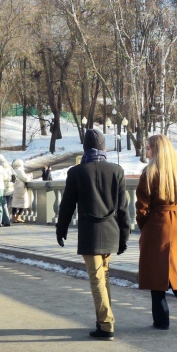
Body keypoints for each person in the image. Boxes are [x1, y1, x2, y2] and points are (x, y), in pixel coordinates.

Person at [56, 131, 130, 341]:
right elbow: (123, 209)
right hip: (111, 231)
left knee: (97, 279)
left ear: (85, 147)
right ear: (103, 147)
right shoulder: (117, 171)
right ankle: (103, 320)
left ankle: (106, 324)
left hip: (89, 233)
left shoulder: (77, 172)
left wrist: (61, 229)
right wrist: (124, 236)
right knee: (103, 276)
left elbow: (67, 206)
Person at [136, 134, 177, 331]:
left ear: (156, 150)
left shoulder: (150, 173)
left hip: (157, 225)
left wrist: (144, 225)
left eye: (148, 148)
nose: (146, 152)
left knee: (156, 275)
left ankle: (161, 321)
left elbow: (142, 206)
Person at [0, 155, 14, 227]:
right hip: (10, 188)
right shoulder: (9, 167)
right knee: (7, 205)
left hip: (2, 188)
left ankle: (6, 221)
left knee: (3, 205)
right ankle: (5, 220)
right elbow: (15, 176)